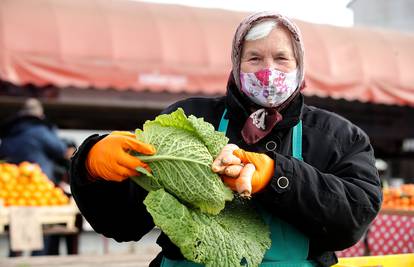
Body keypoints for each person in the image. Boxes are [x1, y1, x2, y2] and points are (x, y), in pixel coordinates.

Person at [70, 11, 382, 267]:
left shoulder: (338, 136)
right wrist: (90, 165)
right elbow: (122, 223)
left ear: (300, 66)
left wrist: (277, 177)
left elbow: (354, 216)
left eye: (282, 58)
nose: (268, 70)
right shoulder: (189, 119)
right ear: (236, 64)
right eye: (255, 58)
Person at [0, 98, 67, 256]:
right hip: (39, 191)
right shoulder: (40, 131)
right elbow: (60, 149)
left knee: (17, 234)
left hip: (11, 193)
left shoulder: (9, 134)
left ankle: (15, 259)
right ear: (39, 115)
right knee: (42, 234)